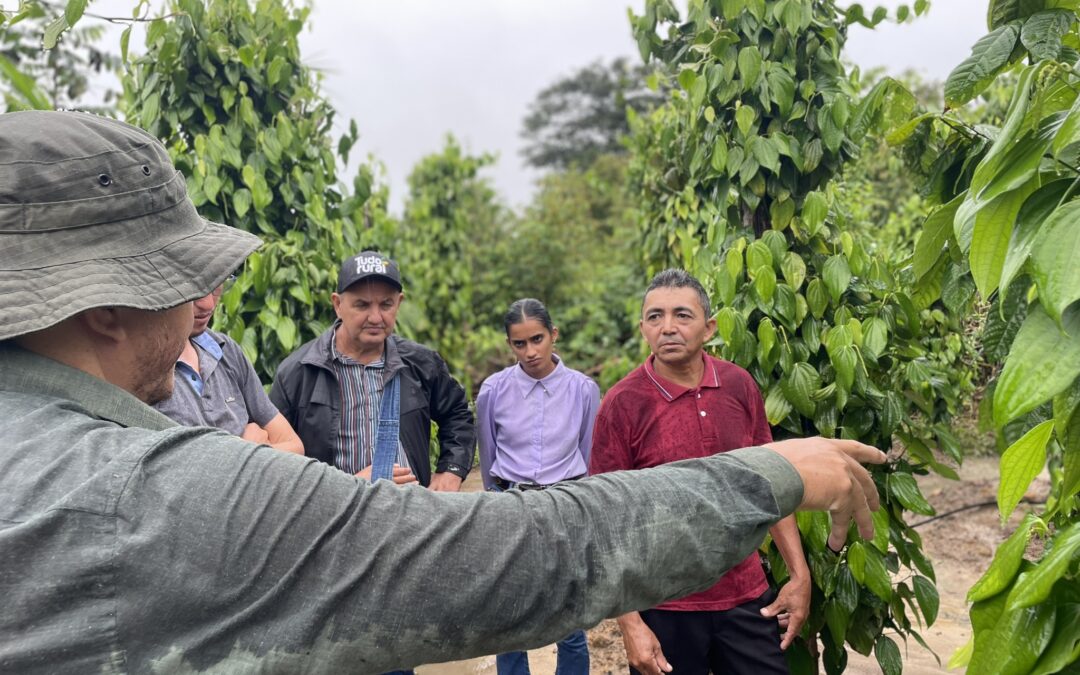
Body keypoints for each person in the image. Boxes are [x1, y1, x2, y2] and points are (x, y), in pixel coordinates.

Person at [0, 110, 885, 673]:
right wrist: (763, 473)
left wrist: (448, 476)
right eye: (179, 279)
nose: (200, 301)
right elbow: (502, 557)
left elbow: (456, 437)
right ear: (109, 307)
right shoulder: (153, 488)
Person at [590, 269, 812, 675]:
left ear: (709, 328)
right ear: (642, 328)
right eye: (655, 317)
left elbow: (770, 487)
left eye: (682, 315)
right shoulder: (622, 404)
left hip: (746, 596)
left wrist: (799, 575)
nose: (668, 328)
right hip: (664, 604)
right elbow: (605, 524)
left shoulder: (739, 386)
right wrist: (631, 624)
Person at [270, 250, 472, 490]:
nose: (376, 317)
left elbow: (457, 414)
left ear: (399, 303)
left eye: (386, 304)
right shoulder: (298, 372)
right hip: (335, 517)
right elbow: (274, 457)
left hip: (409, 513)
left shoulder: (421, 363)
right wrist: (348, 486)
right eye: (362, 305)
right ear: (338, 304)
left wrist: (451, 469)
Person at [477, 298, 600, 674]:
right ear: (508, 344)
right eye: (519, 343)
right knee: (510, 614)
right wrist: (496, 503)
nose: (530, 352)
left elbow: (588, 452)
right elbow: (487, 454)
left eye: (537, 339)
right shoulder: (493, 391)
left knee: (569, 617)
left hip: (565, 502)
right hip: (510, 502)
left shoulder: (583, 390)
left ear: (553, 335)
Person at [153, 282, 304, 454]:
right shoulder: (147, 370)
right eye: (194, 289)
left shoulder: (226, 350)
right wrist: (245, 449)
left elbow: (294, 446)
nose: (209, 304)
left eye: (216, 285)